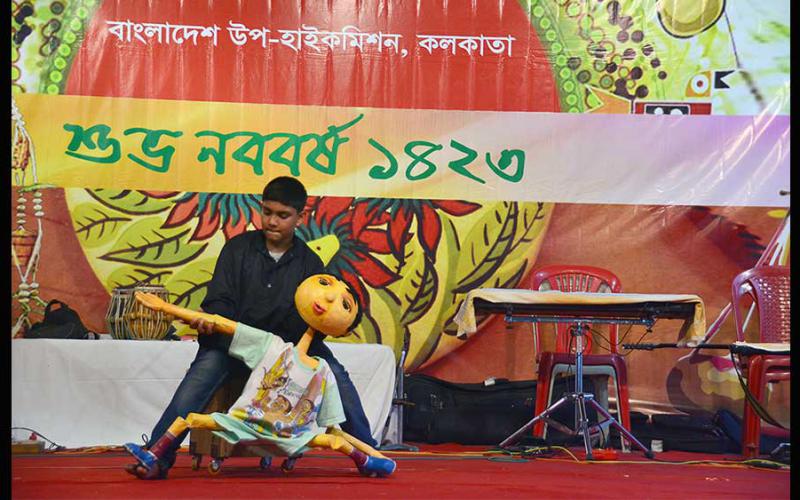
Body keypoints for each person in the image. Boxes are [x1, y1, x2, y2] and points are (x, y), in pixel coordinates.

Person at [127, 177, 376, 479]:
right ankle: (157, 457)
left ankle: (370, 454)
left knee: (335, 374)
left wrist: (284, 349)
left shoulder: (310, 265)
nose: (272, 221)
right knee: (196, 382)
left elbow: (315, 321)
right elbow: (219, 301)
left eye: (282, 215)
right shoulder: (237, 249)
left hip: (287, 352)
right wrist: (213, 320)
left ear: (300, 217)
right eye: (267, 212)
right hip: (232, 345)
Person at [124, 274, 396, 478]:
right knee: (194, 407)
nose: (328, 299)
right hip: (247, 417)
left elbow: (333, 428)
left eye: (344, 304)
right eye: (325, 286)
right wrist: (166, 308)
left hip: (292, 432)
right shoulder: (272, 345)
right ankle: (155, 456)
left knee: (335, 427)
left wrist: (370, 451)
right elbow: (222, 322)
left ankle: (368, 458)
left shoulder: (321, 371)